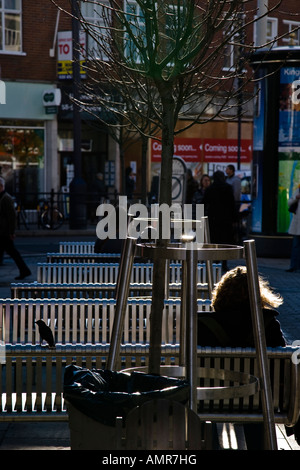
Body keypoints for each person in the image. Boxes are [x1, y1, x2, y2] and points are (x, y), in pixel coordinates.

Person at [197, 265, 287, 449]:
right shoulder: (268, 324)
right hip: (259, 402)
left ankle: (209, 444)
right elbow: (283, 363)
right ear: (258, 294)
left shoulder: (203, 325)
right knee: (257, 397)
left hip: (211, 400)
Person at [202, 170, 236, 271]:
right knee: (225, 241)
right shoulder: (228, 188)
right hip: (226, 219)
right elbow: (232, 204)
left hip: (213, 218)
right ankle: (224, 263)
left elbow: (204, 202)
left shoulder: (210, 189)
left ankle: (215, 262)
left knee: (214, 240)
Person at [0, 177, 31, 280]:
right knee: (12, 252)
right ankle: (24, 270)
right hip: (3, 231)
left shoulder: (6, 198)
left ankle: (24, 270)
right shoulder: (3, 197)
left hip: (4, 231)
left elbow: (12, 216)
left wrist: (12, 231)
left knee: (13, 252)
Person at [286, 186, 300, 272]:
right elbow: (289, 202)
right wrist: (296, 197)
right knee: (296, 246)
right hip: (298, 224)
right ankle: (294, 266)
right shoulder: (298, 190)